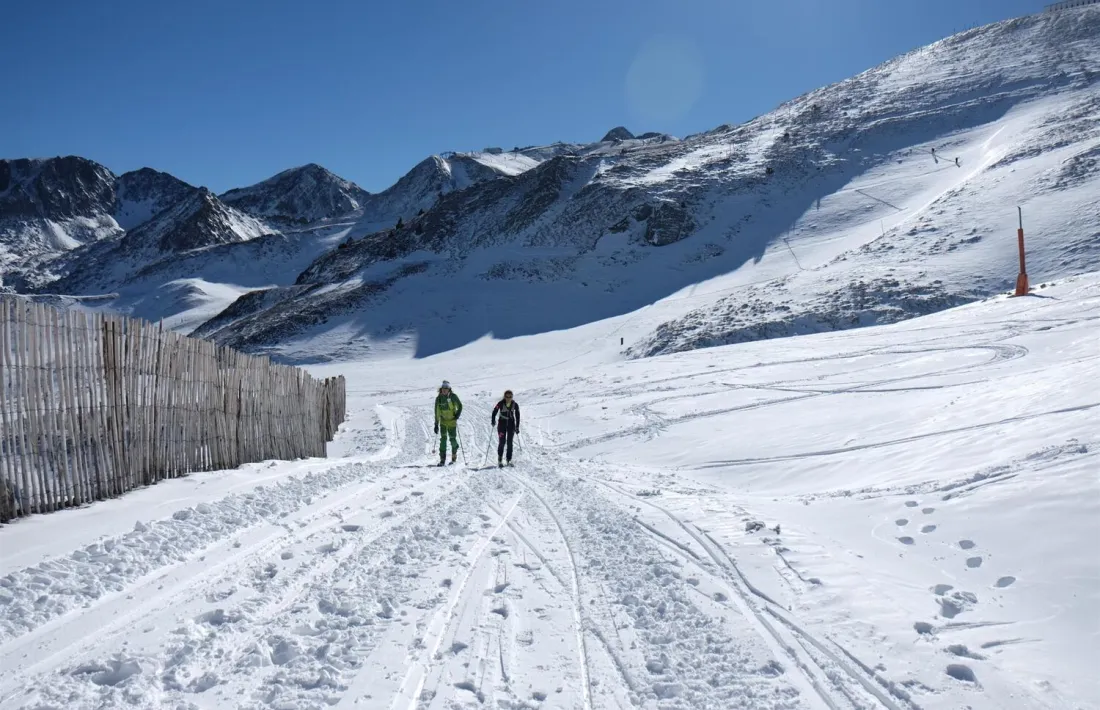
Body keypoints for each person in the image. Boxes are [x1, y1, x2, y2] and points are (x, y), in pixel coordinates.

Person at [433, 380, 462, 465]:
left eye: (446, 388)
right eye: (443, 388)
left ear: (449, 389)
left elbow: (460, 406)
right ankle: (442, 460)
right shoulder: (438, 399)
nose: (444, 390)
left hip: (452, 421)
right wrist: (436, 424)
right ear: (441, 389)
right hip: (443, 422)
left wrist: (457, 415)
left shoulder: (453, 397)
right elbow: (437, 412)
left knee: (452, 439)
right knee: (443, 440)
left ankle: (454, 453)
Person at [491, 390, 520, 468]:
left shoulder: (515, 404)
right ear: (504, 396)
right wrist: (493, 421)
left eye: (510, 396)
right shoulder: (500, 403)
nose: (508, 398)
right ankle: (500, 459)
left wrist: (517, 426)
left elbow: (517, 415)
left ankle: (508, 459)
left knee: (510, 443)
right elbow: (494, 412)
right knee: (502, 442)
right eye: (507, 396)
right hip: (501, 425)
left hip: (511, 425)